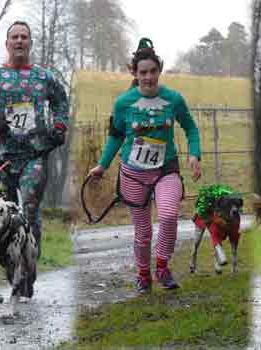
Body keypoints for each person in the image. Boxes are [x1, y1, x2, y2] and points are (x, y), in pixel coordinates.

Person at [87, 38, 202, 294]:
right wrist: (102, 166)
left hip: (166, 169)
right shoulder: (123, 103)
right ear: (134, 73)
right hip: (133, 172)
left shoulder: (174, 99)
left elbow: (191, 127)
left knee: (170, 216)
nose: (148, 77)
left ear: (159, 71)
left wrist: (195, 154)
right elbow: (116, 135)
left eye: (152, 72)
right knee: (143, 230)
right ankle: (143, 274)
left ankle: (162, 266)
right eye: (143, 73)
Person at [0, 21, 69, 254]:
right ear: (7, 44)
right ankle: (11, 259)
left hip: (35, 154)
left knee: (30, 206)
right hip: (4, 156)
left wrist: (60, 125)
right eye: (15, 37)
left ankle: (31, 259)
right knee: (5, 211)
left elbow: (61, 101)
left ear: (30, 43)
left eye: (24, 37)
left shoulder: (44, 77)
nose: (20, 40)